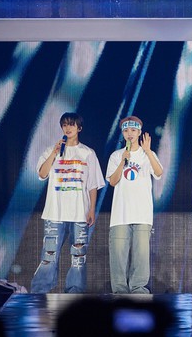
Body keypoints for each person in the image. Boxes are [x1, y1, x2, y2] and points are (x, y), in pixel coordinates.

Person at [31, 112, 105, 293]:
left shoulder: (88, 153)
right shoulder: (51, 150)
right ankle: (39, 292)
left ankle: (74, 292)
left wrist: (92, 209)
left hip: (80, 212)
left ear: (79, 128)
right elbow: (42, 174)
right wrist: (54, 153)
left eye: (71, 124)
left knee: (78, 256)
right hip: (55, 213)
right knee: (49, 255)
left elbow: (93, 185)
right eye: (64, 125)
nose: (68, 128)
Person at [106, 116, 163, 294]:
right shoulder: (116, 155)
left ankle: (138, 290)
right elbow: (112, 181)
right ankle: (120, 291)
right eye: (126, 130)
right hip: (120, 214)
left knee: (141, 256)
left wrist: (148, 151)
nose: (129, 134)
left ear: (139, 132)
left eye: (133, 130)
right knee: (118, 256)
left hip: (142, 213)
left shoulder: (148, 155)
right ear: (122, 133)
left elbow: (159, 173)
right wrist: (123, 161)